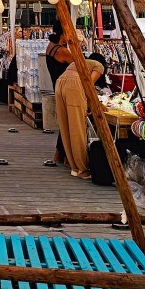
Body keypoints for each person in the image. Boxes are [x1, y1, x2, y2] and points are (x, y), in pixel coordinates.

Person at [55, 57, 106, 179]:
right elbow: (87, 85)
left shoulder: (80, 62)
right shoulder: (100, 66)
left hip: (60, 82)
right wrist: (97, 104)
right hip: (74, 84)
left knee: (65, 125)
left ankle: (74, 166)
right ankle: (82, 169)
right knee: (77, 128)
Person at [42, 26, 74, 167]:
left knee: (65, 121)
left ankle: (59, 154)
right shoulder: (62, 51)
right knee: (70, 121)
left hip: (57, 85)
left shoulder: (51, 47)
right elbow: (79, 64)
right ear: (64, 33)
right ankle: (68, 157)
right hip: (67, 88)